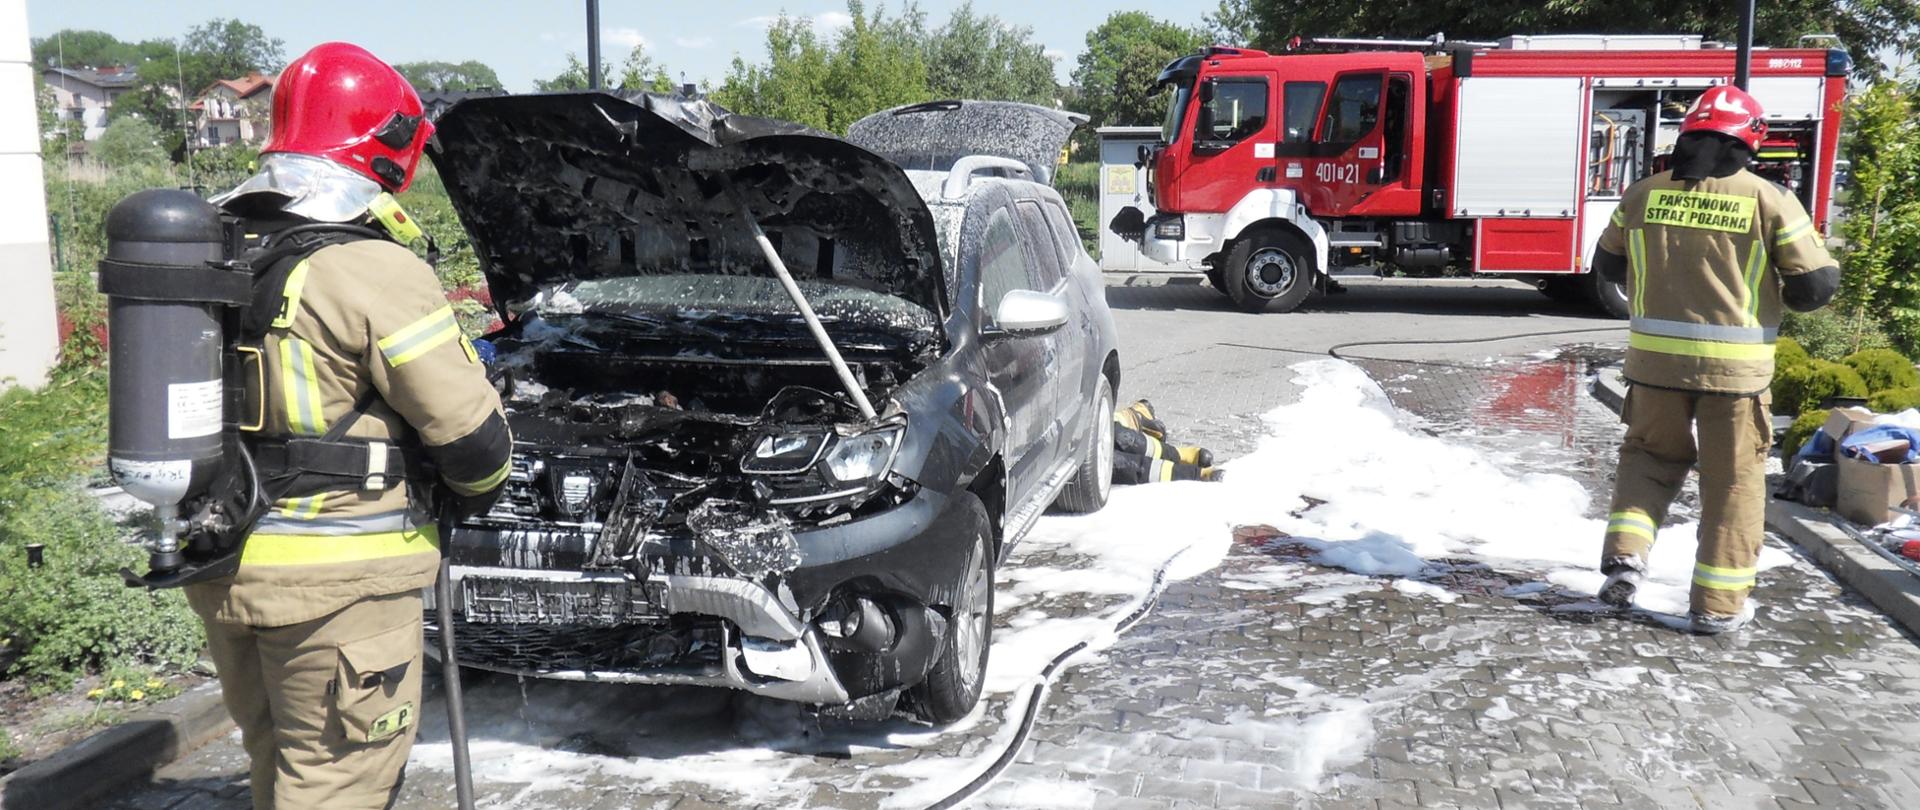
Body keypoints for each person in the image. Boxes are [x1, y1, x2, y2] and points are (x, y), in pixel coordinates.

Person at [187, 42, 512, 808]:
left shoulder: (214, 247)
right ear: (390, 148)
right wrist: (473, 488)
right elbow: (473, 442)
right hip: (339, 591)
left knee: (279, 768)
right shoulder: (373, 268)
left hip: (224, 567)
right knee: (338, 785)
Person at [1591, 85, 1840, 635]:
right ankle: (1717, 607)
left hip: (1653, 369)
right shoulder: (1769, 199)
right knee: (1733, 483)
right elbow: (1815, 287)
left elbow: (1607, 267)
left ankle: (1627, 555)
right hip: (1735, 376)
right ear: (1751, 140)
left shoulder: (1642, 194)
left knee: (1648, 459)